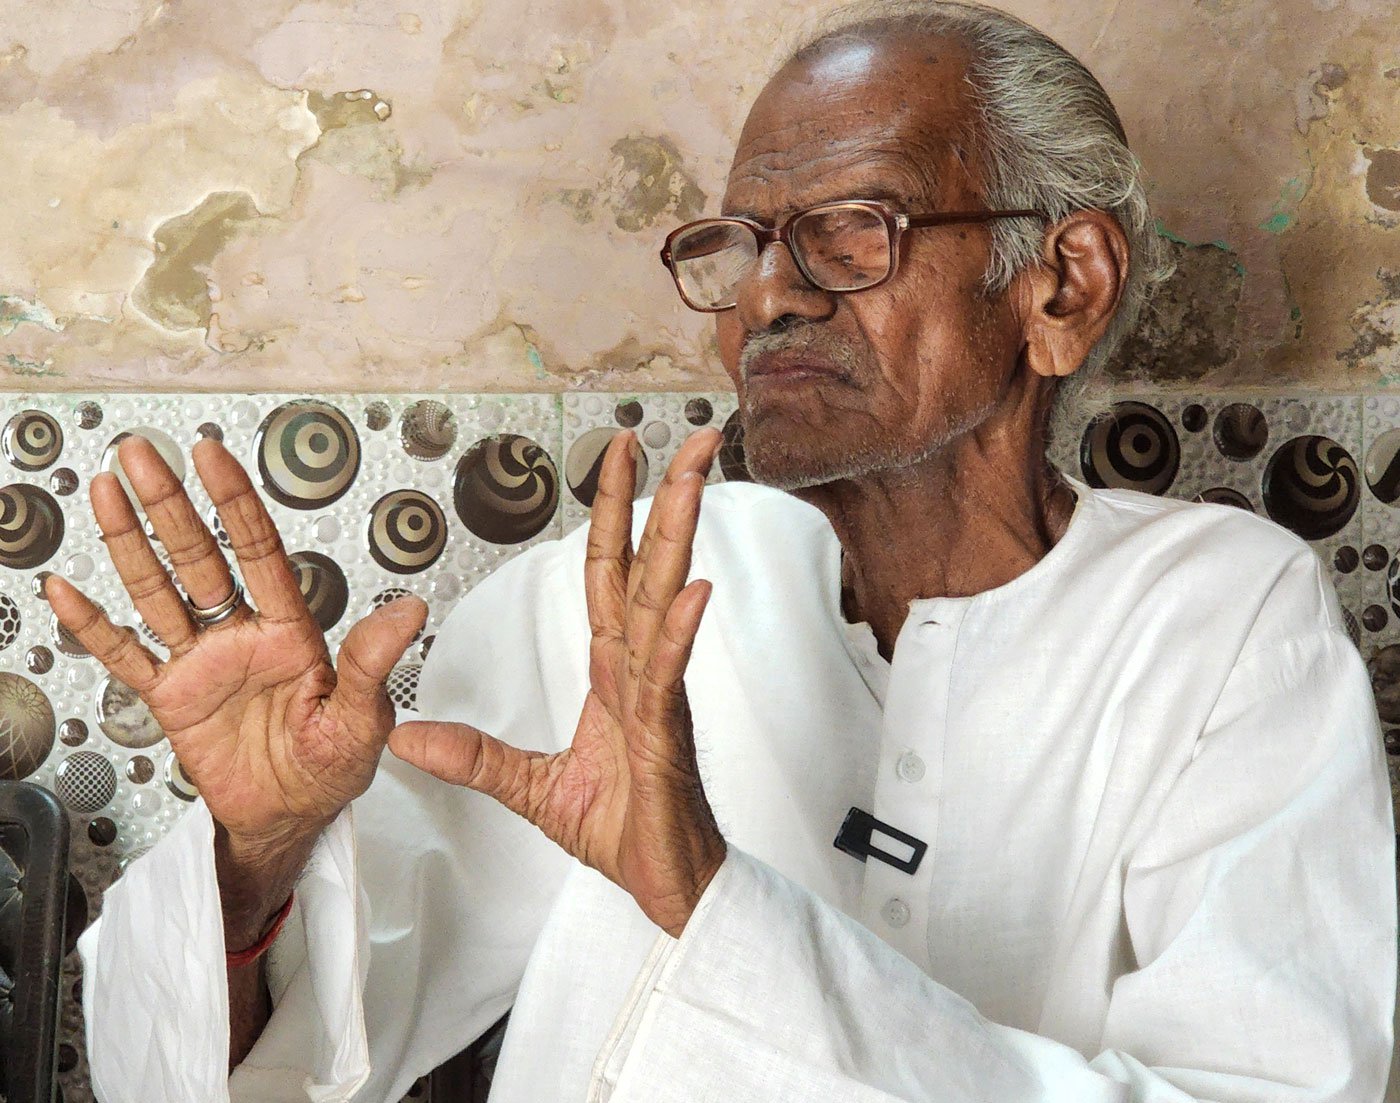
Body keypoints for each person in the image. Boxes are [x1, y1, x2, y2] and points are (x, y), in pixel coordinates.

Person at [52, 2, 1395, 1101]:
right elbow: (271, 1066)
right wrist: (262, 860)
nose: (766, 293)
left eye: (852, 229)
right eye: (739, 244)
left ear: (1062, 286)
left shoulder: (1222, 619)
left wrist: (710, 907)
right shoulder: (619, 597)